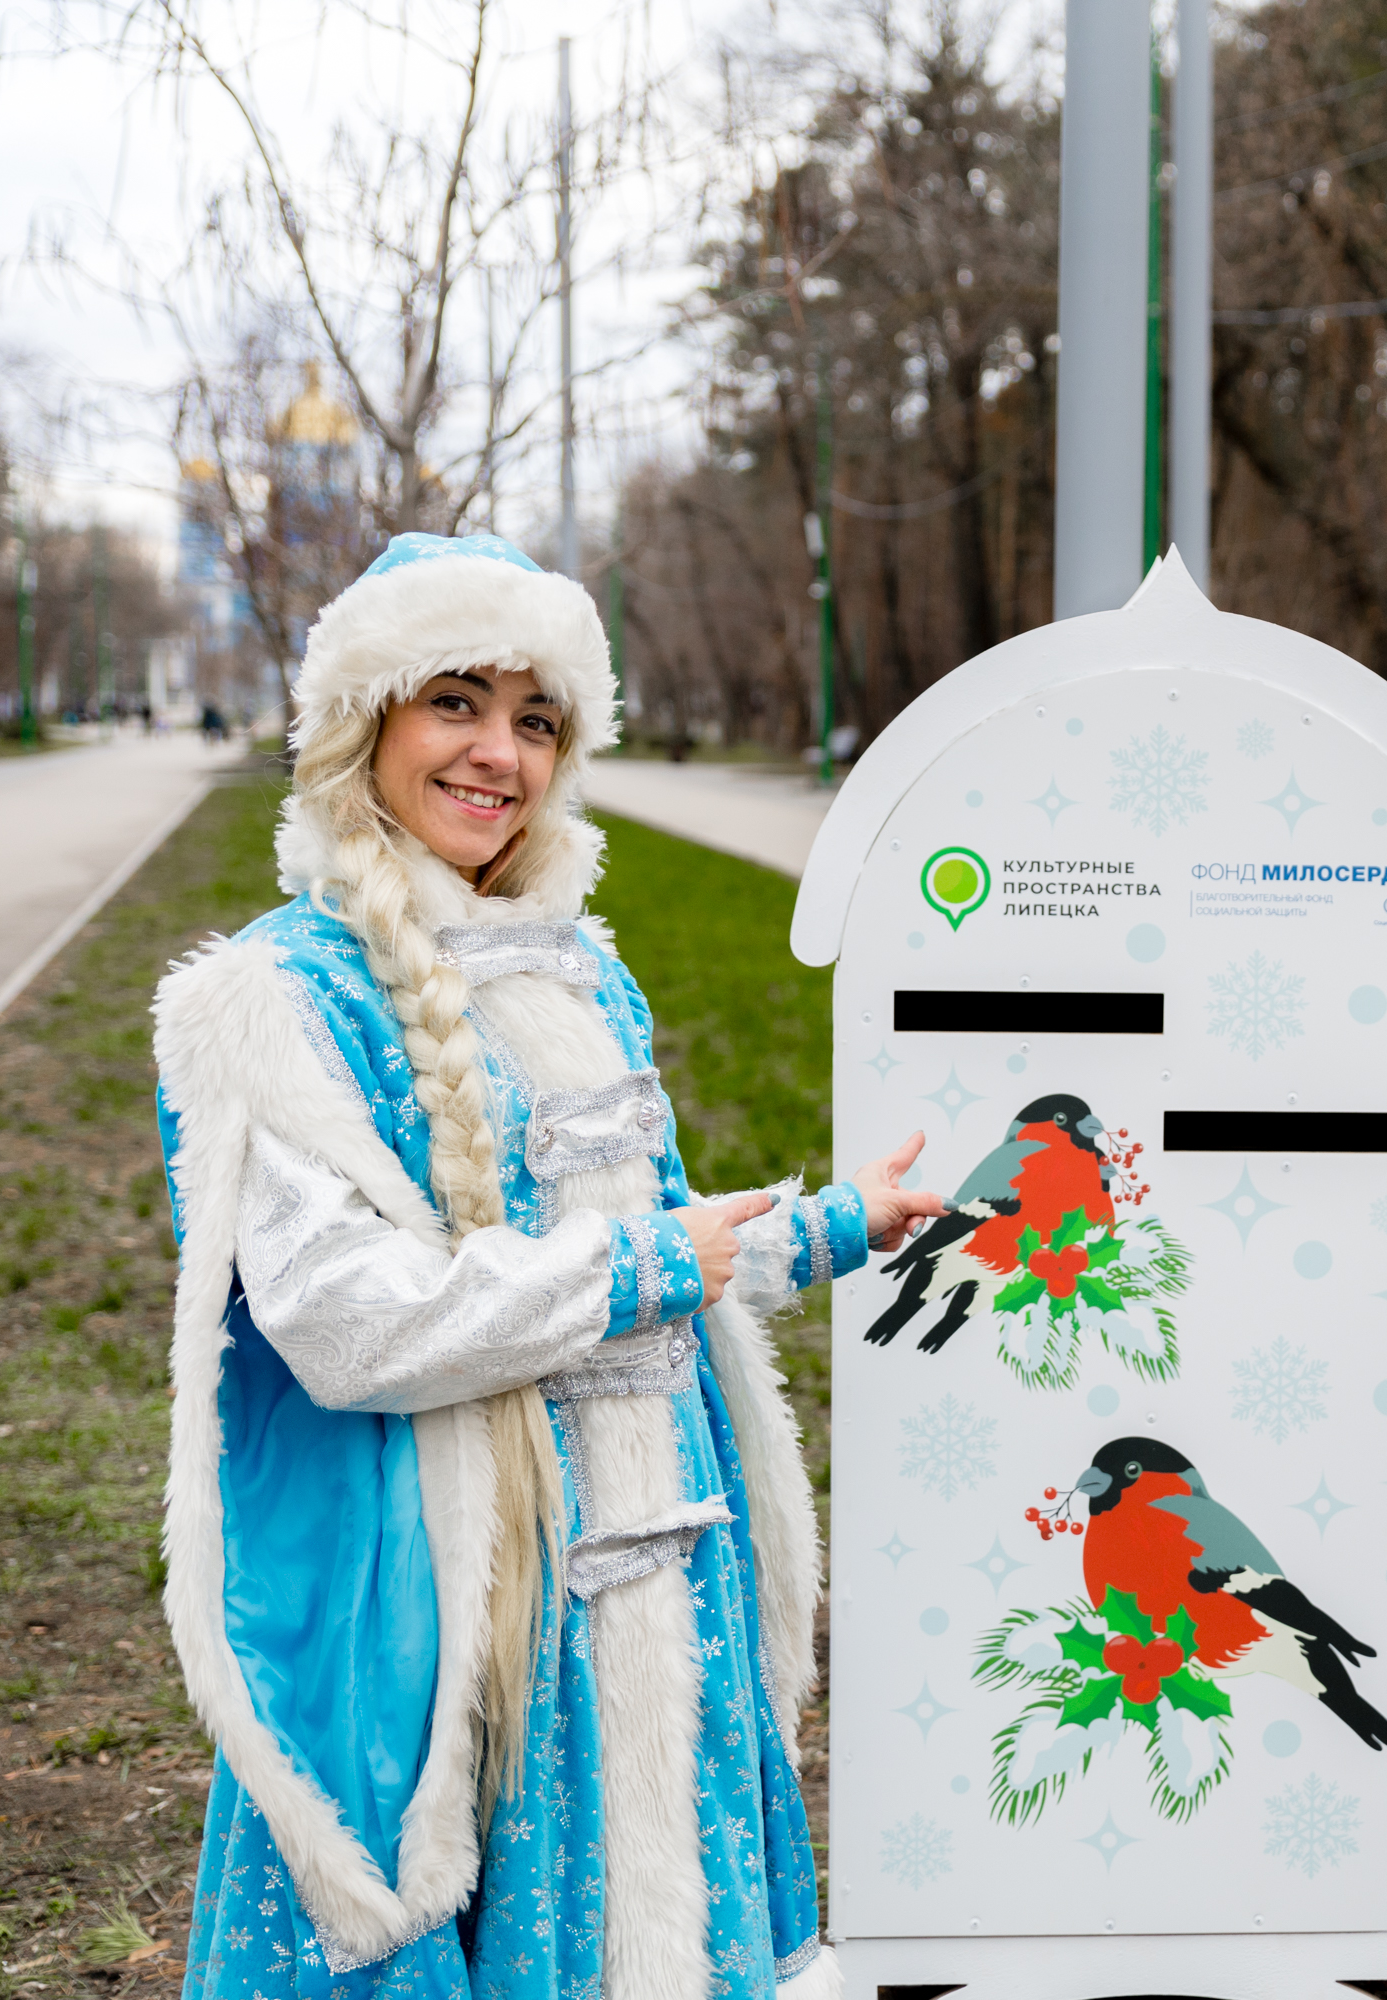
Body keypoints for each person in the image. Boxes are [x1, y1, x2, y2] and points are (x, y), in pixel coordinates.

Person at [152, 532, 946, 1999]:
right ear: (362, 722)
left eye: (535, 721)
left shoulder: (577, 965)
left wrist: (835, 1222)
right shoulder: (274, 999)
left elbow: (658, 1243)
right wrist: (648, 1262)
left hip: (657, 1553)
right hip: (475, 1601)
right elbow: (344, 1326)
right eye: (455, 702)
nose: (497, 756)